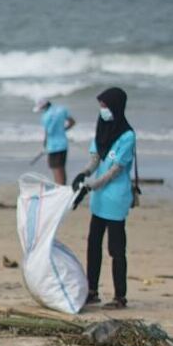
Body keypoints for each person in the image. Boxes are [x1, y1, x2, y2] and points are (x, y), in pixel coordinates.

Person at [73, 87, 137, 309]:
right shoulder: (102, 128)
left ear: (115, 107)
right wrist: (83, 175)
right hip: (99, 198)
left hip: (116, 198)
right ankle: (92, 291)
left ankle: (120, 296)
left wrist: (90, 186)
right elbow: (95, 160)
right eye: (100, 106)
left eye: (105, 106)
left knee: (116, 248)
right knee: (93, 244)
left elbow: (115, 171)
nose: (102, 111)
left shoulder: (127, 136)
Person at [36, 98, 75, 185]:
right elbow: (72, 122)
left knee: (56, 170)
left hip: (53, 146)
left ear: (44, 106)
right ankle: (63, 187)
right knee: (62, 169)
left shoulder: (45, 116)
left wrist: (45, 144)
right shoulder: (61, 110)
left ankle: (60, 190)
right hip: (63, 144)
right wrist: (63, 130)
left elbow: (47, 133)